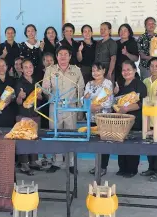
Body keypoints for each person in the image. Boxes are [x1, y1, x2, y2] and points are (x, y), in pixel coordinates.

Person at [42, 46, 84, 174]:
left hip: (71, 107)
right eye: (60, 54)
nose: (63, 56)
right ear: (57, 56)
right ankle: (57, 161)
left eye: (66, 54)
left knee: (71, 134)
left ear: (70, 56)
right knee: (56, 134)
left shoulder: (76, 71)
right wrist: (46, 88)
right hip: (55, 106)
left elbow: (80, 90)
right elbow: (44, 89)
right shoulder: (50, 70)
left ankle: (71, 163)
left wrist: (79, 111)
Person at [111, 60, 147, 177]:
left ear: (135, 70)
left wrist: (126, 109)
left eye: (129, 70)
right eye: (124, 70)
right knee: (121, 145)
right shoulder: (120, 86)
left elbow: (142, 103)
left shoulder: (139, 84)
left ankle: (132, 170)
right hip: (121, 121)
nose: (126, 72)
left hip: (134, 120)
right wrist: (114, 94)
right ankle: (122, 168)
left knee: (132, 145)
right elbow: (116, 103)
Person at [15, 58, 44, 175]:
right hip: (24, 114)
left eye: (30, 67)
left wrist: (39, 95)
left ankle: (33, 161)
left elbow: (41, 98)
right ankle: (24, 164)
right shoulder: (19, 82)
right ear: (21, 69)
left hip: (35, 113)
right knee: (24, 139)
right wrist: (20, 96)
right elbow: (17, 102)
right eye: (25, 67)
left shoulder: (36, 81)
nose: (28, 69)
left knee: (34, 138)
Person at [84, 62, 113, 177]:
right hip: (91, 117)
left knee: (104, 142)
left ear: (104, 71)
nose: (95, 73)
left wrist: (98, 107)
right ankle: (97, 165)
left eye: (98, 70)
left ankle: (103, 167)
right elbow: (84, 98)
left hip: (104, 117)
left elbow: (109, 100)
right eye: (93, 70)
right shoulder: (89, 84)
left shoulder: (108, 83)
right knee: (95, 142)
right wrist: (86, 101)